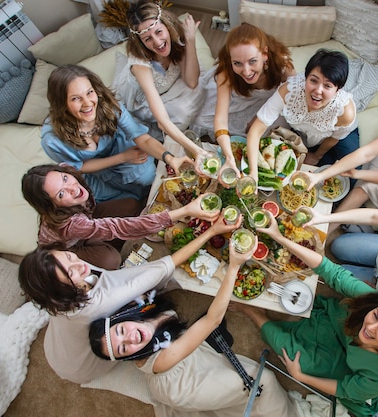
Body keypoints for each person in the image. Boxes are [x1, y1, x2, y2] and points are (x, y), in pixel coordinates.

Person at [232, 214, 378, 417]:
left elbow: (344, 389)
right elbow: (330, 271)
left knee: (291, 355)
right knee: (307, 298)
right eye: (375, 316)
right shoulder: (374, 302)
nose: (370, 327)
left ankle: (252, 312)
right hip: (341, 329)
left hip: (346, 369)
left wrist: (300, 376)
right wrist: (280, 238)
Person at [18, 211, 241, 384]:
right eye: (71, 272)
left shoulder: (55, 295)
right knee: (121, 341)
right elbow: (166, 266)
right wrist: (211, 233)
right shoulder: (105, 300)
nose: (78, 264)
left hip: (57, 344)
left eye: (69, 256)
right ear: (60, 292)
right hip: (79, 364)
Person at [89, 237, 299, 417]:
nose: (131, 338)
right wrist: (234, 266)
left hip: (185, 359)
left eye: (121, 332)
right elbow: (212, 320)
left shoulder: (138, 309)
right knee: (264, 383)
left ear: (120, 319)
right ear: (127, 357)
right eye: (123, 348)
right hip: (183, 387)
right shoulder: (164, 359)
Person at [22, 164, 219, 270]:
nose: (72, 188)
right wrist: (185, 211)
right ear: (52, 205)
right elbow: (120, 227)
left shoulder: (68, 172)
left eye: (65, 179)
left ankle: (106, 241)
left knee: (131, 205)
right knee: (112, 260)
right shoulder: (69, 224)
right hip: (71, 244)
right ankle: (108, 255)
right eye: (61, 194)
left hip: (87, 220)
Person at [41, 64, 189, 203]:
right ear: (61, 103)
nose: (88, 103)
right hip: (94, 170)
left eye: (89, 92)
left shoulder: (108, 106)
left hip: (120, 146)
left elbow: (142, 138)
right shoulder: (52, 141)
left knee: (147, 177)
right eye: (76, 99)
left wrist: (170, 159)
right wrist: (123, 158)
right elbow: (78, 167)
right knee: (123, 202)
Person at [100, 0, 207, 159]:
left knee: (203, 87)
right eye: (147, 39)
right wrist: (198, 151)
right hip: (140, 100)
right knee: (181, 113)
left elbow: (191, 81)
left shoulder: (176, 37)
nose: (157, 42)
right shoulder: (141, 66)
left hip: (168, 87)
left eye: (159, 32)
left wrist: (190, 40)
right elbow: (162, 120)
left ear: (167, 26)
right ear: (141, 42)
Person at [190, 23, 295, 178]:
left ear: (265, 54)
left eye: (252, 61)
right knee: (200, 117)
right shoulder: (225, 71)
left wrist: (260, 116)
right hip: (239, 99)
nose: (246, 71)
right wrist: (229, 157)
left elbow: (291, 95)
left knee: (272, 132)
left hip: (272, 102)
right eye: (237, 63)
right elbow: (220, 119)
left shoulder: (282, 65)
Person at [246, 48, 358, 181]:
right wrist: (253, 173)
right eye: (313, 81)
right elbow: (257, 128)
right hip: (305, 134)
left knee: (348, 175)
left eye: (327, 86)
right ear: (306, 78)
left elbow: (334, 138)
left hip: (336, 136)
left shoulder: (345, 112)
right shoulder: (288, 90)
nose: (318, 91)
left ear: (338, 89)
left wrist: (316, 156)